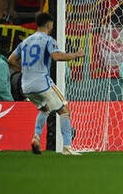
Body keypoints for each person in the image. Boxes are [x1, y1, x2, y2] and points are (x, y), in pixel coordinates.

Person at [7, 13, 85, 155]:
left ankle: (36, 137)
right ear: (49, 25)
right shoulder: (48, 40)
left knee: (45, 109)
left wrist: (24, 71)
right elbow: (56, 56)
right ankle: (67, 147)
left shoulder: (25, 41)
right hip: (42, 82)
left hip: (26, 85)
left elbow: (11, 59)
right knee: (64, 110)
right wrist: (75, 55)